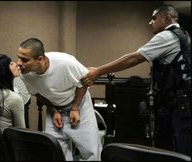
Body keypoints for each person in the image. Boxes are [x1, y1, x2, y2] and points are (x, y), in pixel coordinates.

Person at [81, 4, 191, 156]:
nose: (150, 22)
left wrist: (98, 71)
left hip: (179, 106)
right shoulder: (183, 34)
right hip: (180, 103)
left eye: (154, 18)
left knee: (177, 151)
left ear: (167, 18)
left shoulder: (167, 36)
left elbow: (134, 58)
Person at [16, 38, 102, 161]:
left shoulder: (65, 62)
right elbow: (35, 92)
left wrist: (75, 108)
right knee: (56, 151)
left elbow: (84, 83)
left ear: (40, 59)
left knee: (91, 152)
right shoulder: (25, 74)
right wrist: (53, 109)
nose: (19, 63)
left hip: (79, 105)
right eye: (18, 57)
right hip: (55, 107)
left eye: (24, 59)